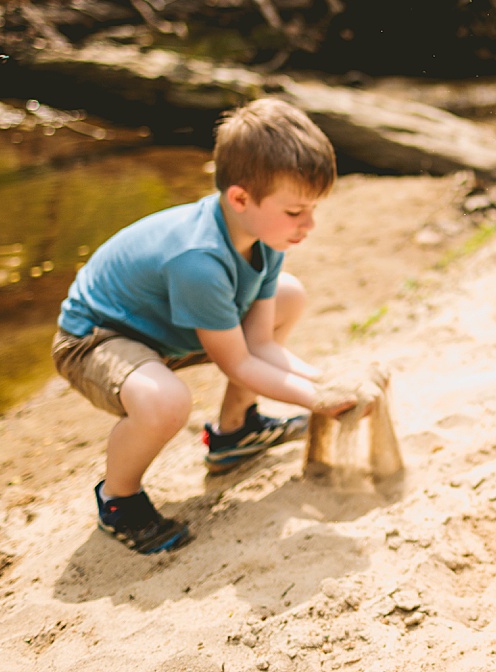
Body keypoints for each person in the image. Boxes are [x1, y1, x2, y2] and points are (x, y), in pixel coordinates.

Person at [53, 98, 356, 554]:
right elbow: (239, 363)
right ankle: (118, 500)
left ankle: (235, 432)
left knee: (289, 295)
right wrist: (318, 400)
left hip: (164, 327)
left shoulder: (263, 237)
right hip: (96, 338)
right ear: (240, 197)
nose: (309, 224)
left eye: (313, 209)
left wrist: (325, 383)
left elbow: (259, 346)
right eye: (296, 212)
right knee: (166, 403)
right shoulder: (199, 261)